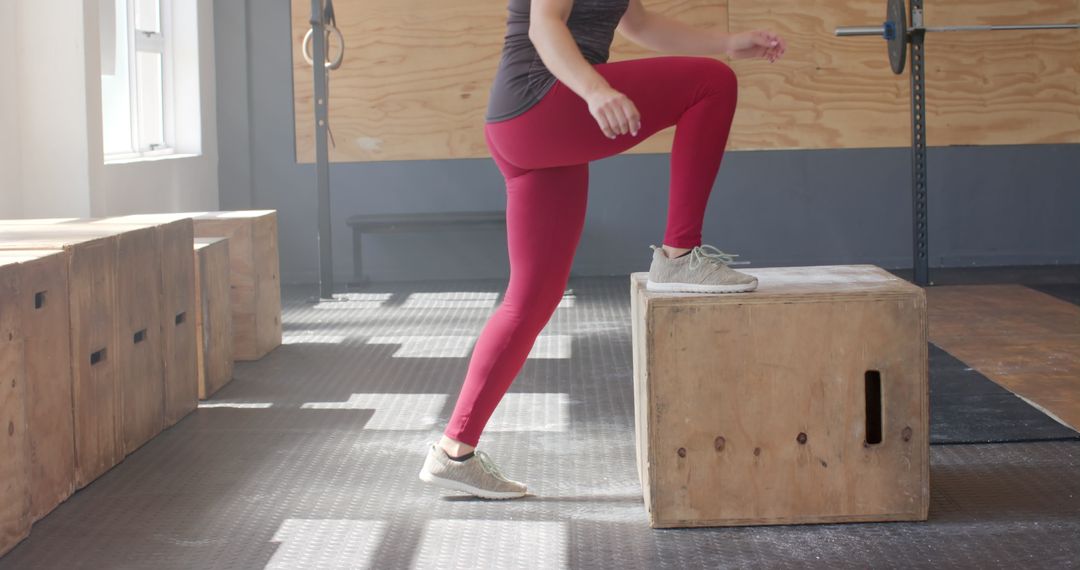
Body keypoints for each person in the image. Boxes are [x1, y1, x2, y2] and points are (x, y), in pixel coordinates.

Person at [419, 0, 787, 499]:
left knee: (530, 300)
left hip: (523, 123)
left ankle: (454, 451)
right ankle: (679, 256)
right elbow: (544, 24)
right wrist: (595, 89)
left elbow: (639, 23)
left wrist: (726, 43)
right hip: (543, 99)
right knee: (712, 83)